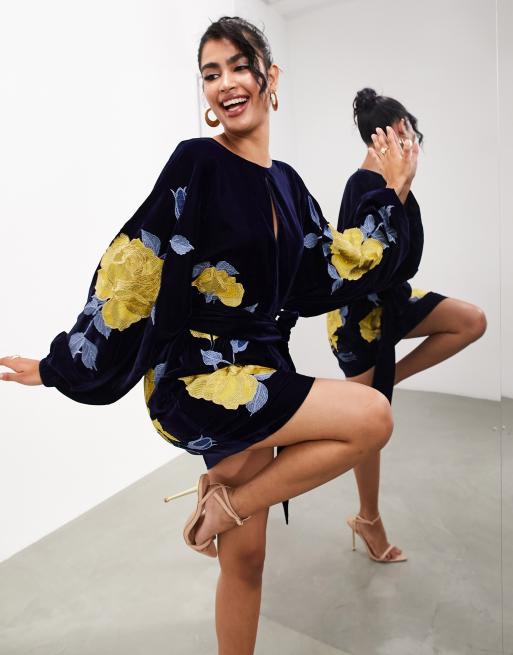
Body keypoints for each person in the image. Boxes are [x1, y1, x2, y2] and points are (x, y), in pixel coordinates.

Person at [0, 18, 420, 655]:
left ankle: (225, 506)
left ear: (270, 77)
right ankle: (227, 504)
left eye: (239, 67)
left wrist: (390, 194)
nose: (225, 84)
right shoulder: (197, 161)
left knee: (247, 559)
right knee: (372, 416)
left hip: (264, 369)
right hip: (201, 376)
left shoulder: (288, 184)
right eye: (211, 74)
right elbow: (137, 265)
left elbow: (329, 268)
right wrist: (60, 365)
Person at [325, 87, 487, 562]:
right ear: (380, 139)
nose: (410, 140)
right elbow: (359, 262)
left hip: (394, 301)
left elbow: (405, 260)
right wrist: (397, 187)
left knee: (470, 320)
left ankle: (387, 380)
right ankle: (368, 520)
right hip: (357, 318)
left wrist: (402, 184)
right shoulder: (361, 185)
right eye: (401, 133)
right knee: (369, 430)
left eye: (410, 131)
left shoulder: (399, 181)